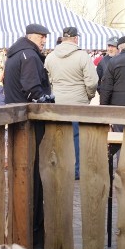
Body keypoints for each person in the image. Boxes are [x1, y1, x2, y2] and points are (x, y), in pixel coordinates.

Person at [2, 23, 53, 249]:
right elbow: (32, 88)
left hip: (16, 119)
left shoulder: (17, 53)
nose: (44, 40)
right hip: (29, 121)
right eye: (42, 37)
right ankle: (32, 235)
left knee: (23, 174)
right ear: (32, 36)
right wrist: (46, 99)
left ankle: (25, 228)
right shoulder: (29, 55)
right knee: (32, 177)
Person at [45, 26, 99, 180]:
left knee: (59, 136)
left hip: (58, 102)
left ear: (63, 38)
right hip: (78, 102)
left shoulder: (50, 57)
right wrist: (89, 96)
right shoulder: (83, 56)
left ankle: (58, 167)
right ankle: (76, 170)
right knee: (77, 137)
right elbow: (92, 81)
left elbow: (48, 79)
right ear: (76, 38)